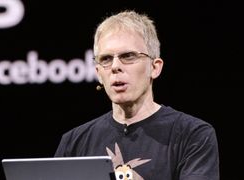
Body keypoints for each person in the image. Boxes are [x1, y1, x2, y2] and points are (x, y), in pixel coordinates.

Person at [54, 10, 219, 180]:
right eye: (106, 59)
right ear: (98, 73)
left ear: (155, 67)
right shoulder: (74, 143)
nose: (115, 66)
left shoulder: (193, 134)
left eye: (128, 56)